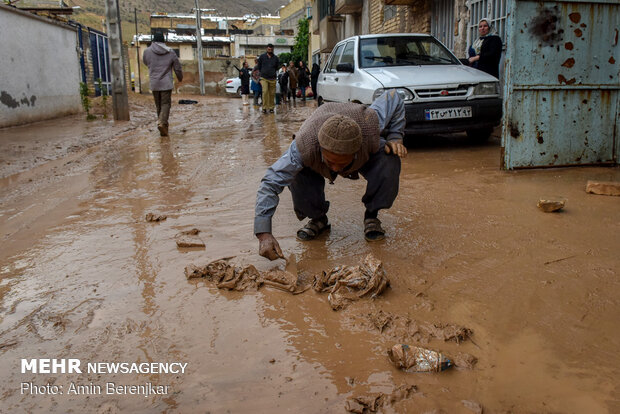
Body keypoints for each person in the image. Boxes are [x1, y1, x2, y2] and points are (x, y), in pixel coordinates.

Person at [254, 90, 407, 260]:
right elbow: (270, 182)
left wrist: (395, 136)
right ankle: (318, 219)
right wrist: (263, 233)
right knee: (297, 173)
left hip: (362, 142)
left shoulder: (371, 123)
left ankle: (372, 216)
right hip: (315, 146)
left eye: (341, 163)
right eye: (330, 161)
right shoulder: (303, 145)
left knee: (389, 157)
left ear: (357, 150)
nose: (335, 169)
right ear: (320, 148)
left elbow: (394, 96)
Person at [142, 32, 183, 137]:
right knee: (165, 104)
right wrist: (180, 77)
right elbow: (177, 67)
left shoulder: (147, 52)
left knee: (158, 105)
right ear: (164, 40)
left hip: (154, 82)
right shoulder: (170, 52)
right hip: (166, 83)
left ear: (153, 40)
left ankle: (163, 127)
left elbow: (146, 62)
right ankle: (162, 122)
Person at [255, 44, 280, 113]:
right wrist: (261, 75)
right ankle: (264, 107)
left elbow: (277, 68)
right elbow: (259, 67)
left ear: (273, 49)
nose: (270, 50)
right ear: (266, 49)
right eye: (269, 49)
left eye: (271, 49)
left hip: (272, 78)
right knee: (265, 91)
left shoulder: (275, 58)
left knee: (272, 93)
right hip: (264, 78)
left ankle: (271, 107)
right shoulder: (262, 57)